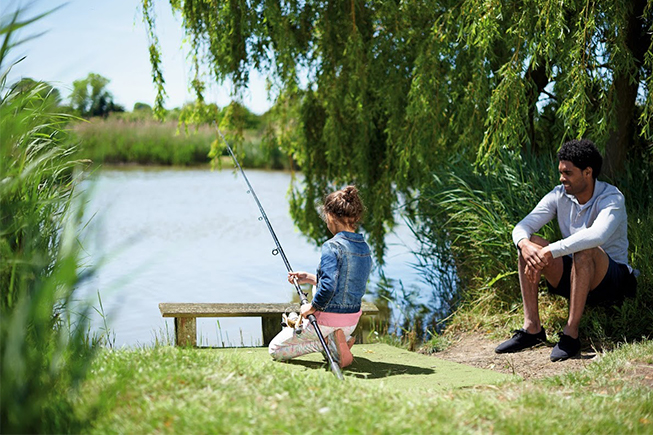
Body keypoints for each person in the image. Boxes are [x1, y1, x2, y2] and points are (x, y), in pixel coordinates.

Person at [495, 139, 637, 361]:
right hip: (575, 275)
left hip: (613, 282)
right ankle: (532, 329)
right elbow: (522, 226)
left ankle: (571, 335)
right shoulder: (559, 194)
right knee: (529, 244)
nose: (562, 178)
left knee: (586, 248)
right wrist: (524, 244)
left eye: (568, 173)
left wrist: (551, 250)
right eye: (561, 172)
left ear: (587, 172)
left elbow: (597, 235)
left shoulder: (612, 198)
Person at [268, 185, 373, 368]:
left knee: (275, 350)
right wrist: (309, 277)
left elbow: (329, 287)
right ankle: (339, 341)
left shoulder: (332, 246)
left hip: (327, 322)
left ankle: (326, 343)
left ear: (331, 216)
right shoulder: (364, 247)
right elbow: (346, 282)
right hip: (350, 322)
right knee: (320, 286)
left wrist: (312, 307)